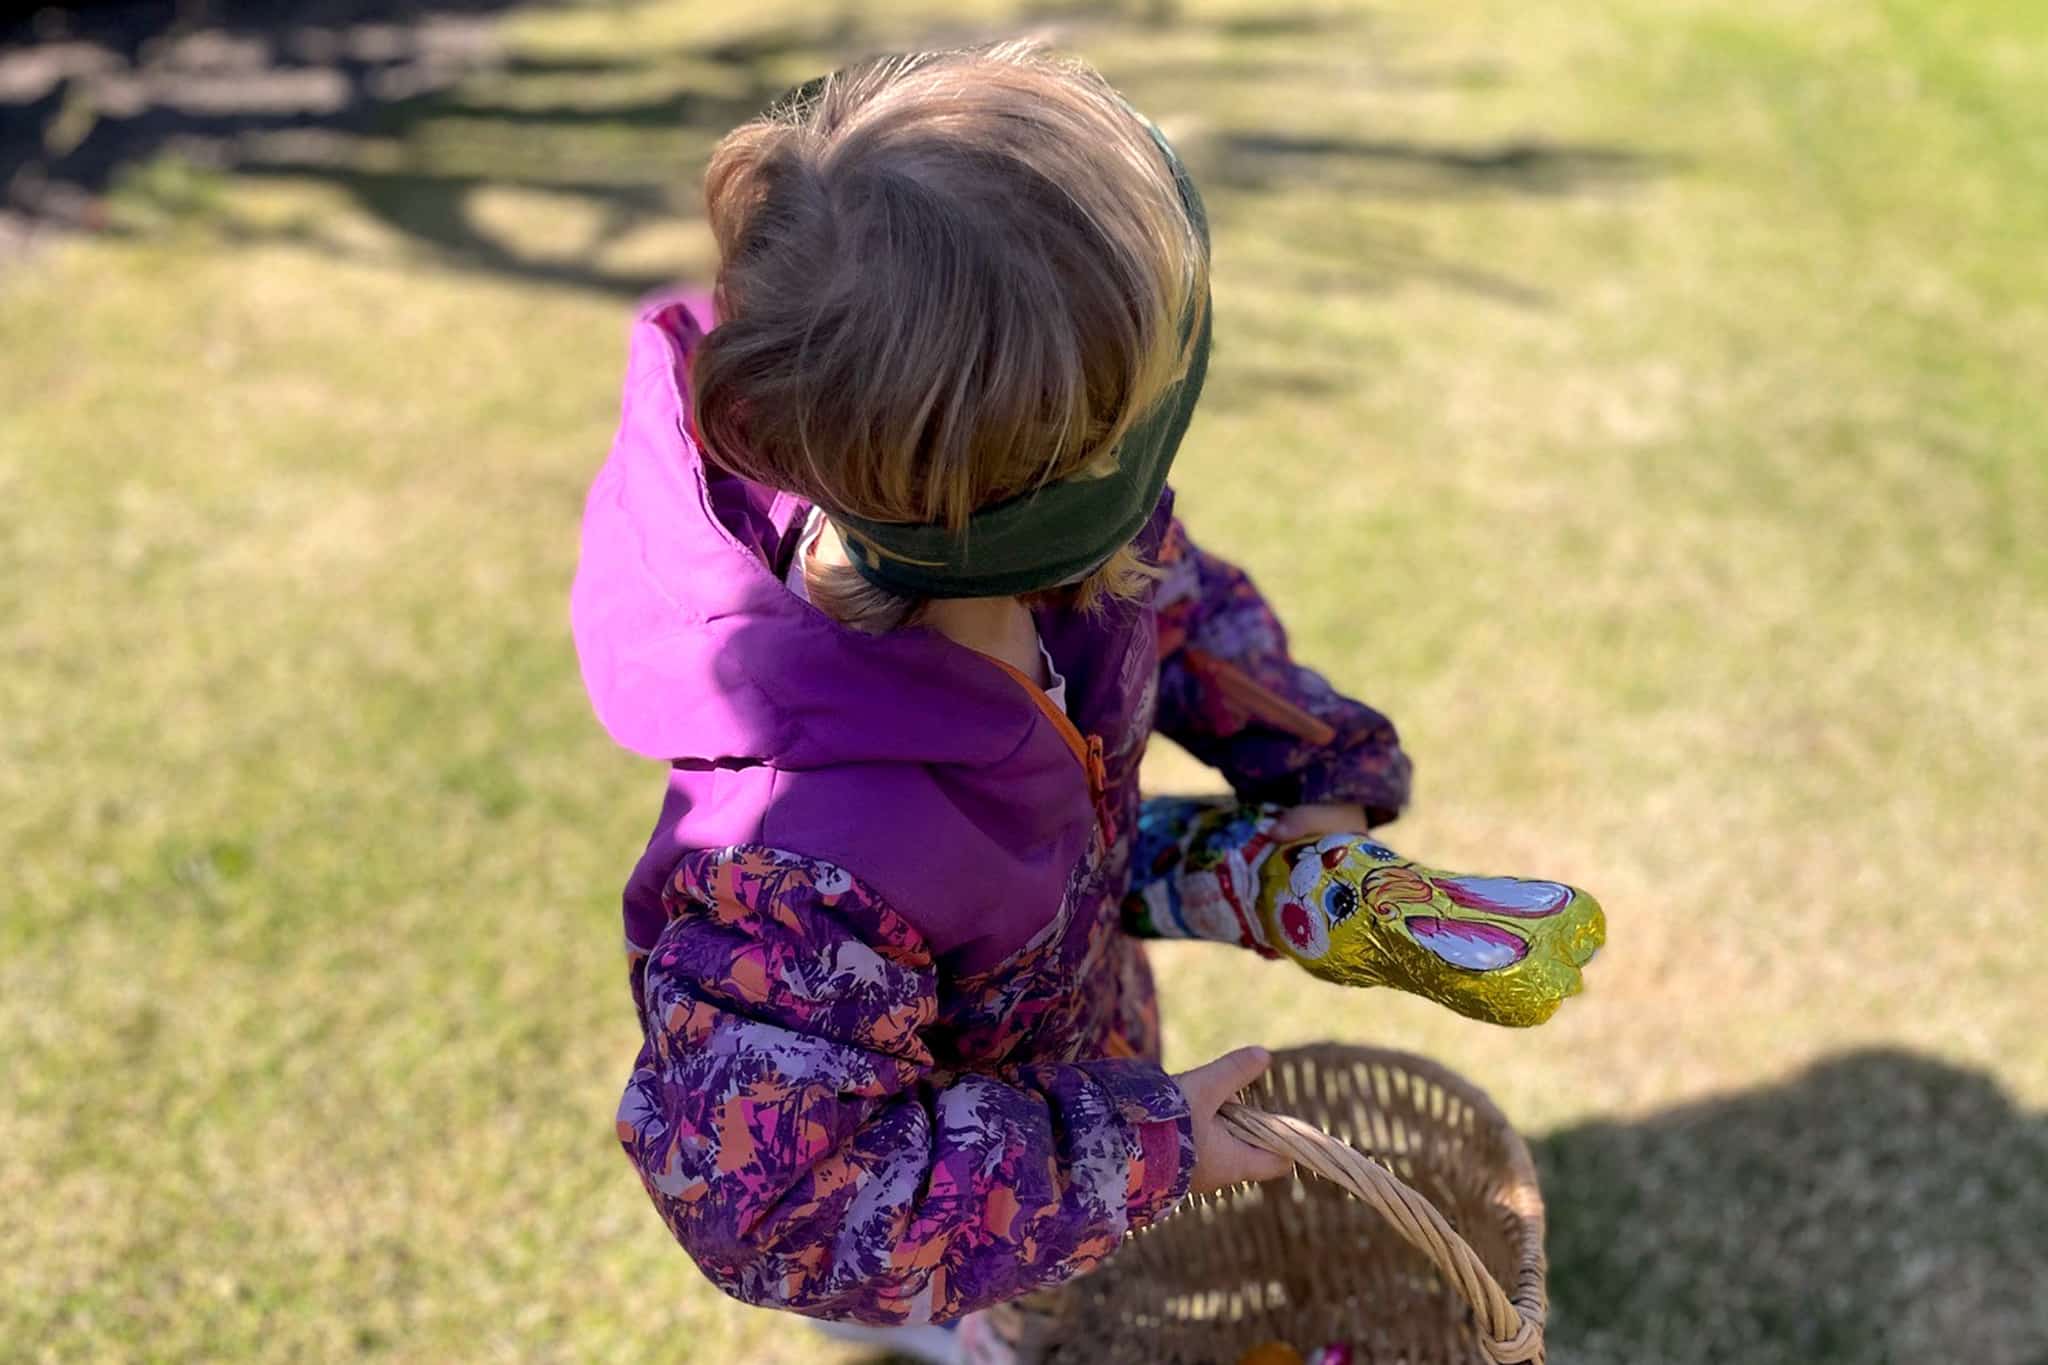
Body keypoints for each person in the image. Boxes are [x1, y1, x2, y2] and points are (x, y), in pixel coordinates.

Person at [570, 41, 1411, 1360]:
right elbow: (779, 1198)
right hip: (977, 1228)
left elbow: (1182, 607)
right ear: (1066, 476)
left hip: (1078, 1047)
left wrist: (1317, 776)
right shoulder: (806, 848)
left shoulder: (1051, 547)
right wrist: (1143, 1149)